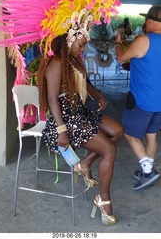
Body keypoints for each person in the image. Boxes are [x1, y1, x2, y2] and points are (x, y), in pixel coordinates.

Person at [37, 17, 123, 225]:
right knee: (109, 151)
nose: (82, 49)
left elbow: (84, 83)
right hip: (66, 119)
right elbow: (51, 99)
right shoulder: (57, 62)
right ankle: (104, 200)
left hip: (79, 113)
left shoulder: (73, 61)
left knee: (117, 130)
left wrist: (98, 95)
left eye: (84, 45)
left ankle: (84, 163)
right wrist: (61, 129)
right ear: (69, 40)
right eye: (81, 44)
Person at [115, 5, 161, 190]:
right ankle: (148, 169)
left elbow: (121, 59)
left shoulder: (144, 40)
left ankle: (148, 172)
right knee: (151, 135)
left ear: (150, 22)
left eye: (146, 20)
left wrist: (118, 43)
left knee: (129, 133)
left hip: (142, 102)